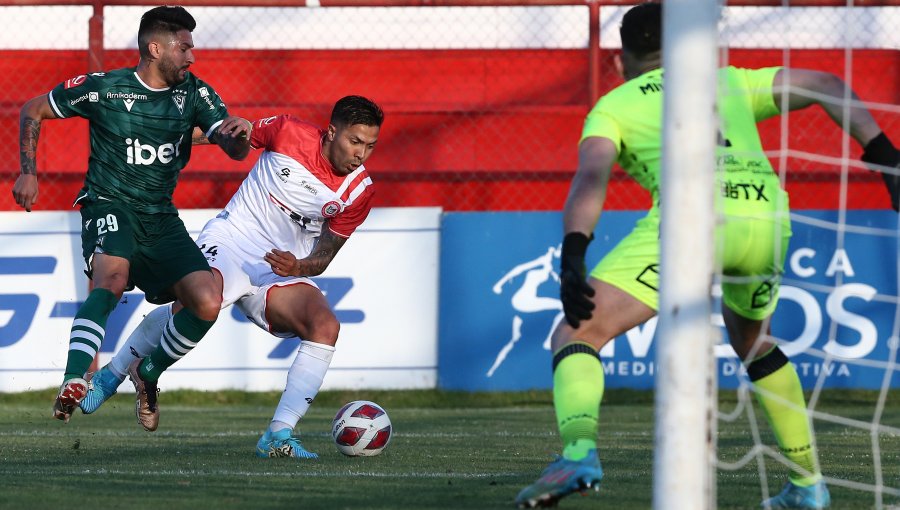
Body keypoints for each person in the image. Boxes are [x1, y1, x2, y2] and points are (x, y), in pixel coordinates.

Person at [515, 3, 900, 509]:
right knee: (754, 340)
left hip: (692, 223)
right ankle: (809, 486)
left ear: (620, 60)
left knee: (577, 331)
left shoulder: (616, 104)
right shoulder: (729, 82)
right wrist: (886, 157)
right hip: (766, 221)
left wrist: (574, 250)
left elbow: (592, 176)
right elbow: (826, 84)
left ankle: (578, 453)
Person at [79, 95, 384, 458]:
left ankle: (278, 434)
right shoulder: (288, 132)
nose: (361, 154)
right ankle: (111, 375)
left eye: (370, 146)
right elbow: (222, 134)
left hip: (280, 267)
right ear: (332, 131)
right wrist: (150, 135)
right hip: (232, 241)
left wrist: (298, 268)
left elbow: (323, 256)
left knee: (325, 326)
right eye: (355, 142)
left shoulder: (360, 192)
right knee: (195, 306)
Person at [11, 5, 252, 428]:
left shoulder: (195, 94)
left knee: (206, 301)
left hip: (160, 217)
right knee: (112, 279)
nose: (192, 56)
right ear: (155, 48)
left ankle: (148, 371)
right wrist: (29, 171)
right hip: (109, 203)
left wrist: (239, 135)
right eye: (185, 47)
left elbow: (231, 148)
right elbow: (34, 108)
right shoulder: (105, 88)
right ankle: (75, 379)